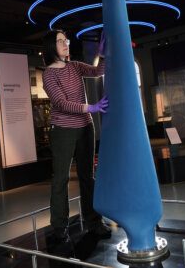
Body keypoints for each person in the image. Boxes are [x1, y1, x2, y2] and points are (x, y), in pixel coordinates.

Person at [42, 29, 111, 242]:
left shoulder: (75, 66)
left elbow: (98, 71)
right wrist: (90, 108)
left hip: (85, 128)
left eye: (66, 40)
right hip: (62, 130)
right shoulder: (49, 74)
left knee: (87, 176)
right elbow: (61, 103)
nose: (65, 44)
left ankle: (94, 222)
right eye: (60, 41)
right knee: (60, 179)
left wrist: (102, 53)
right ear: (51, 46)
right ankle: (59, 227)